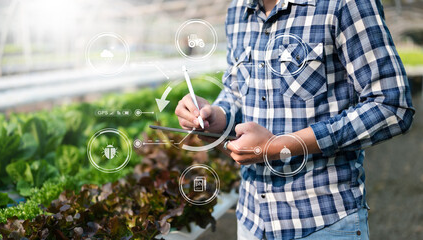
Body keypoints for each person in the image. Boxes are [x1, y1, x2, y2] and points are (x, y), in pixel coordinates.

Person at [175, 0, 415, 239]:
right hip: (252, 221)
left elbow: (391, 105)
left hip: (321, 222)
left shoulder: (344, 4)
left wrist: (279, 146)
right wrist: (215, 115)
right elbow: (237, 91)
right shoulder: (238, 9)